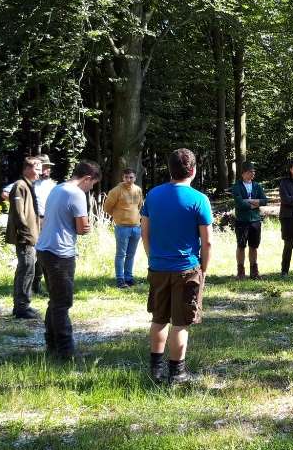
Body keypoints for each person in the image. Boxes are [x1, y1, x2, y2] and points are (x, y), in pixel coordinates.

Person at [141, 148, 213, 386]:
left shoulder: (152, 195)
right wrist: (203, 268)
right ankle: (177, 373)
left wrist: (153, 258)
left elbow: (145, 232)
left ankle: (156, 369)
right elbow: (207, 241)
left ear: (170, 169)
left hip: (158, 267)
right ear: (192, 170)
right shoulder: (199, 200)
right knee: (180, 322)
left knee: (159, 319)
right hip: (186, 268)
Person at [36, 160, 102, 359]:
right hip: (61, 253)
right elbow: (83, 228)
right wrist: (85, 227)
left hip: (44, 249)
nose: (91, 188)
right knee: (63, 303)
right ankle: (65, 351)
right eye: (93, 184)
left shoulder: (58, 188)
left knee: (54, 301)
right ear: (87, 178)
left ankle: (51, 344)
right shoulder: (77, 194)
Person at [4, 157, 43, 319]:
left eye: (41, 169)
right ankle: (22, 307)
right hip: (25, 238)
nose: (40, 172)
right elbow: (19, 214)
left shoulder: (28, 185)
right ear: (27, 169)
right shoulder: (20, 186)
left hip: (30, 237)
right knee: (26, 271)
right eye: (37, 168)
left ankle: (20, 306)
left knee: (26, 270)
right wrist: (28, 235)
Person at [104, 167, 144, 289]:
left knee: (131, 255)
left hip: (136, 227)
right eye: (126, 177)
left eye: (131, 177)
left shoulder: (138, 190)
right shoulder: (116, 191)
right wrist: (118, 217)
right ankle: (120, 279)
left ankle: (129, 277)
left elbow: (140, 206)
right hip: (122, 228)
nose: (129, 180)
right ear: (123, 178)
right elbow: (107, 208)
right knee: (121, 254)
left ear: (135, 178)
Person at [230, 162, 268, 279]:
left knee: (254, 246)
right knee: (241, 246)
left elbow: (265, 200)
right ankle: (240, 271)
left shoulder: (257, 186)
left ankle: (254, 271)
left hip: (255, 220)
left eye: (253, 172)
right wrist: (254, 204)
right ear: (243, 174)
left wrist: (251, 201)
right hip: (242, 220)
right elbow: (239, 203)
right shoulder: (237, 186)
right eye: (250, 172)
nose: (252, 174)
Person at [31, 156, 58, 294]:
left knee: (46, 253)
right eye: (44, 166)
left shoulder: (53, 185)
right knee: (33, 253)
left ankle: (38, 283)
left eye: (48, 167)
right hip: (35, 221)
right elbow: (7, 193)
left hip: (50, 221)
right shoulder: (31, 184)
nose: (47, 169)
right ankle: (32, 284)